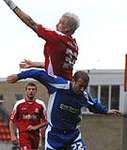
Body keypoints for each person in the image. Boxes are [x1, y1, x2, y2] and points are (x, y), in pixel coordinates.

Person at [7, 69, 120, 150]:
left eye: (84, 87)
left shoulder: (83, 96)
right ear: (73, 81)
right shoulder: (58, 85)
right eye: (79, 85)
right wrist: (19, 76)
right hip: (54, 135)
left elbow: (93, 105)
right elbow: (39, 73)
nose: (82, 89)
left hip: (73, 135)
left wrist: (106, 111)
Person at [3, 0, 80, 80]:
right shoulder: (74, 44)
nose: (57, 24)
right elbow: (56, 65)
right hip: (67, 83)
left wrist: (10, 4)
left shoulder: (57, 38)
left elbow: (31, 23)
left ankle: (18, 76)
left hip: (58, 84)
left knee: (38, 73)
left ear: (68, 28)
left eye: (61, 23)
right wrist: (33, 64)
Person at [9, 82, 47, 150]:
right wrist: (12, 135)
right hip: (23, 134)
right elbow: (11, 121)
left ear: (36, 91)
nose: (31, 91)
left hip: (36, 136)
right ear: (26, 91)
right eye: (29, 89)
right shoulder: (19, 104)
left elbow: (46, 122)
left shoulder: (41, 104)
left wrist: (35, 127)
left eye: (33, 89)